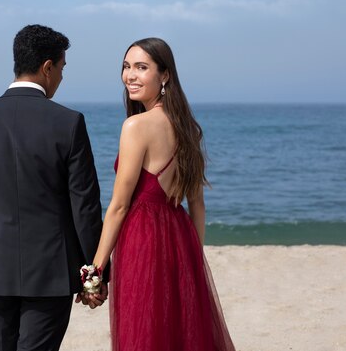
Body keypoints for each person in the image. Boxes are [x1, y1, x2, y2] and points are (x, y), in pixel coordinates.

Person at [0, 24, 108, 351]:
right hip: (51, 270)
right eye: (62, 69)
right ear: (47, 67)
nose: (62, 78)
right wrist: (94, 273)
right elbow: (85, 206)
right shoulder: (69, 123)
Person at [87, 38, 236, 350]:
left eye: (142, 67)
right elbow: (197, 204)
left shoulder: (135, 126)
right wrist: (193, 256)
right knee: (178, 333)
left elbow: (118, 206)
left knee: (146, 332)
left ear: (165, 75)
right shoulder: (186, 129)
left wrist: (96, 271)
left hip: (143, 239)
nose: (130, 75)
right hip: (179, 237)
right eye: (126, 67)